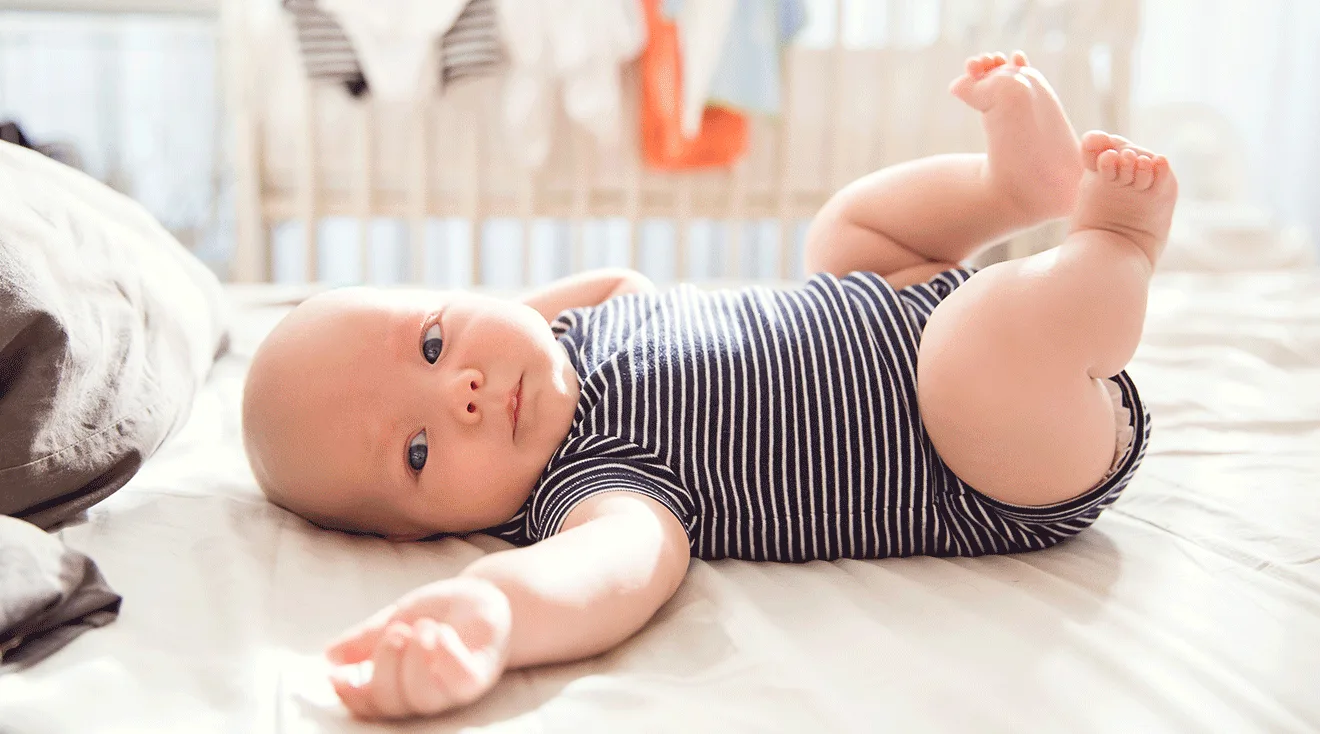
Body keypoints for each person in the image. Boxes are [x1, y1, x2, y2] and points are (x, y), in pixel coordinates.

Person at [241, 51, 1175, 720]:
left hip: (910, 300)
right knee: (970, 356)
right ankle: (1115, 250)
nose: (464, 394)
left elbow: (624, 287)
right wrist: (491, 611)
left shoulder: (574, 334)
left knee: (842, 236)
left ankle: (1014, 189)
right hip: (1001, 450)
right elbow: (601, 581)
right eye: (418, 450)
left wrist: (517, 318)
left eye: (435, 344)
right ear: (426, 534)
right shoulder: (593, 489)